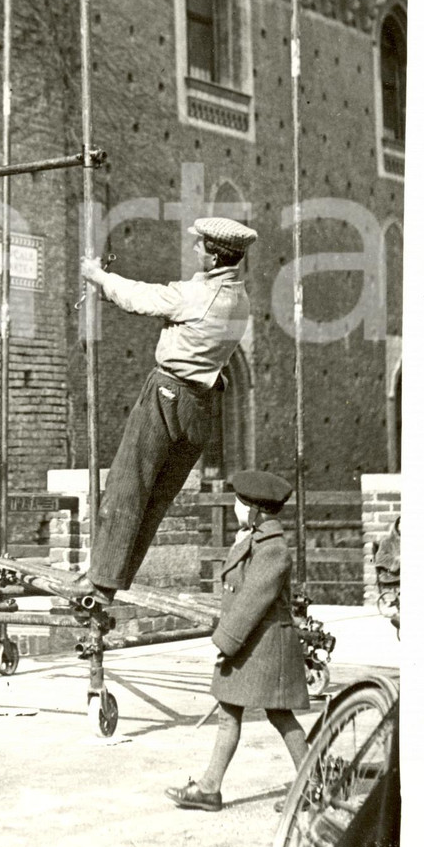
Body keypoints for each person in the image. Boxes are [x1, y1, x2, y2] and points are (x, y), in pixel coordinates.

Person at [74, 216, 257, 599]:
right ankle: (113, 579)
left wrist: (97, 275)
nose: (194, 249)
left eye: (199, 245)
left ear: (214, 257)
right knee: (156, 498)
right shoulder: (239, 299)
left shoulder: (197, 295)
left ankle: (100, 581)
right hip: (201, 405)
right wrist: (107, 290)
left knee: (127, 484)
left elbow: (141, 298)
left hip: (167, 395)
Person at [165, 470, 309, 811]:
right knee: (230, 713)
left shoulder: (272, 550)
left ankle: (311, 784)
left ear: (255, 511)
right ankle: (209, 788)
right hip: (251, 643)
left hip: (266, 646)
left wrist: (225, 641)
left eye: (239, 503)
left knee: (280, 715)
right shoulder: (254, 540)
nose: (234, 508)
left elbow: (251, 602)